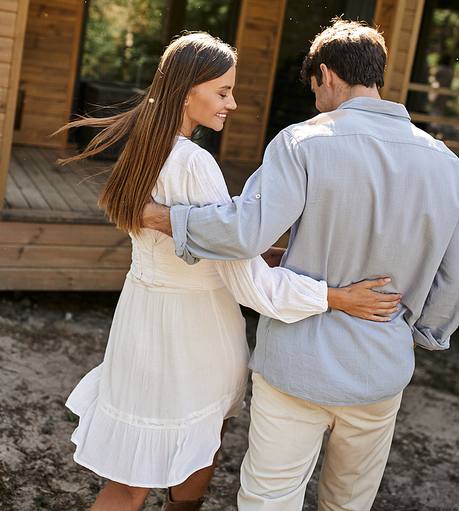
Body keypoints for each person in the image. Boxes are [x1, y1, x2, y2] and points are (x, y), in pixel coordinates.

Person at [61, 31, 399, 511]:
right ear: (185, 91)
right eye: (223, 92)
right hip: (194, 332)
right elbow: (249, 286)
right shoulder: (196, 164)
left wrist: (267, 255)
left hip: (141, 318)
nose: (234, 103)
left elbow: (212, 254)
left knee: (131, 475)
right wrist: (336, 297)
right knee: (197, 449)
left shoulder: (145, 147)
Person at [142, 20, 459, 511]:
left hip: (296, 367)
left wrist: (164, 218)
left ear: (326, 75)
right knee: (348, 504)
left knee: (269, 499)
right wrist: (415, 334)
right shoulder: (446, 163)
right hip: (381, 370)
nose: (317, 102)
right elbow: (451, 275)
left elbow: (245, 231)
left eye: (315, 89)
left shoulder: (301, 142)